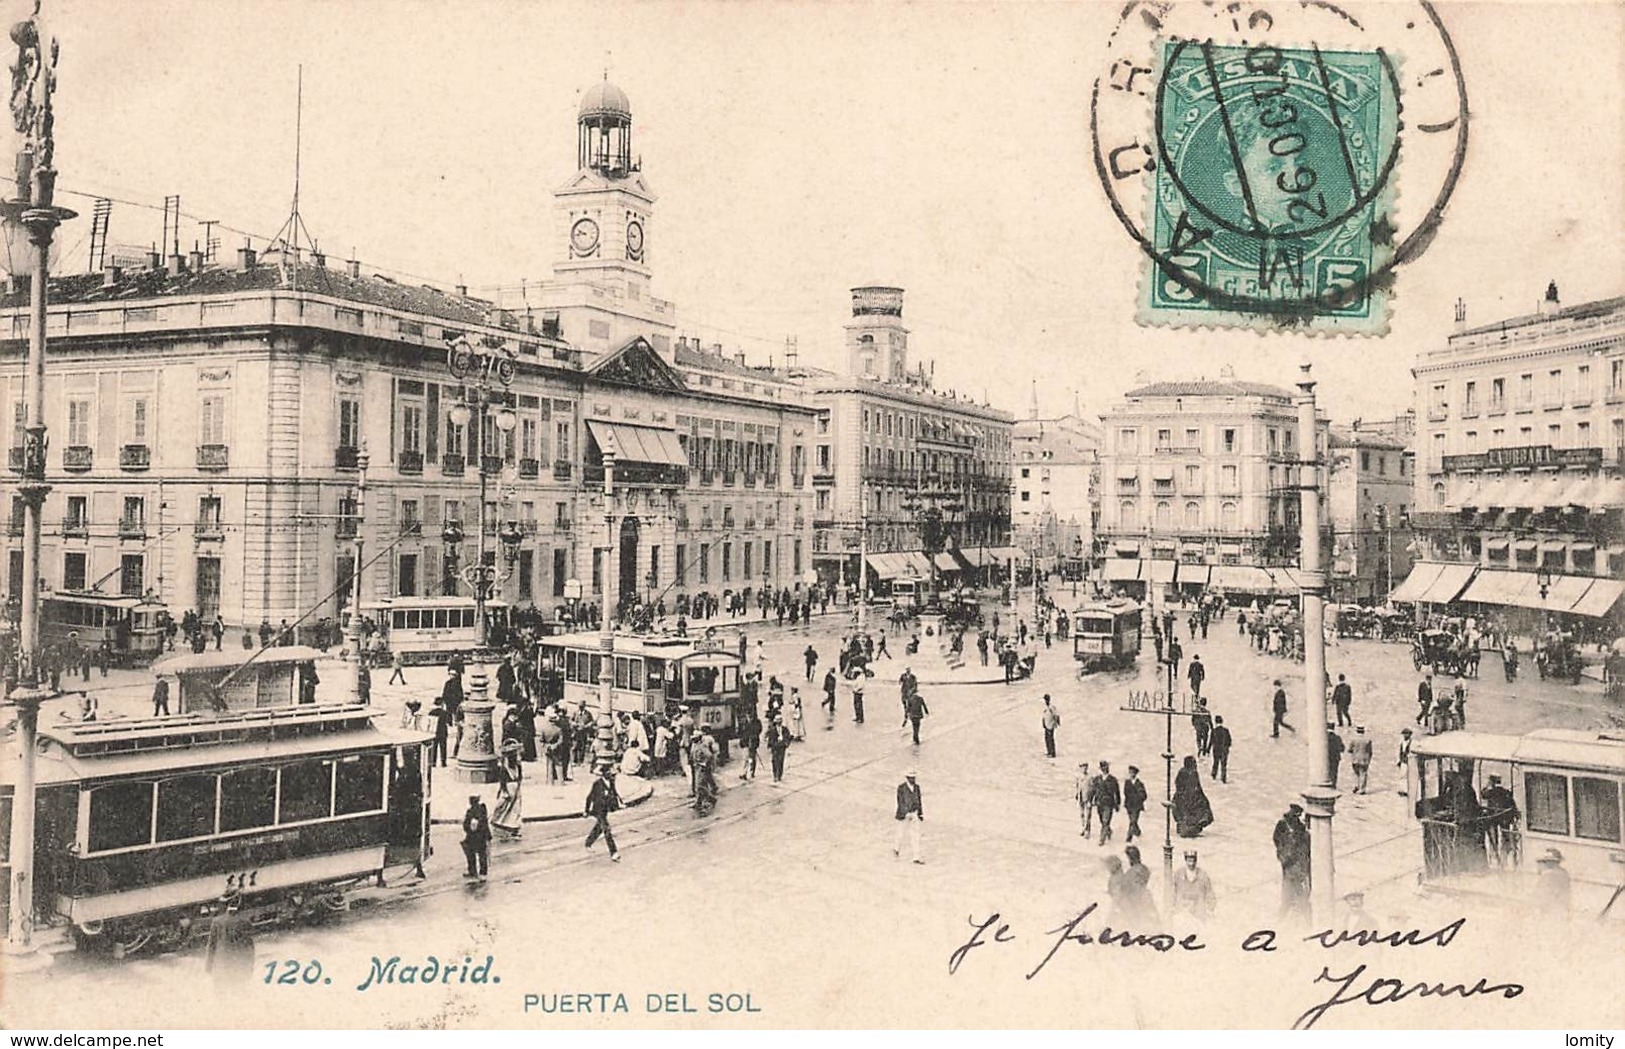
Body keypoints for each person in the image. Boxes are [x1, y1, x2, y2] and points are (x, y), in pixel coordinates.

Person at [204, 892, 256, 985]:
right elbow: (249, 948)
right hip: (238, 968)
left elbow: (211, 946)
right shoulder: (245, 921)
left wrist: (209, 967)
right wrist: (250, 967)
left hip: (220, 967)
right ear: (238, 902)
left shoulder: (216, 921)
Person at [1273, 803, 1311, 918]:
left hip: (1296, 864)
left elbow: (1305, 849)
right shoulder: (1283, 824)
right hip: (1291, 863)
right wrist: (1282, 852)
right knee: (1292, 893)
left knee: (1295, 893)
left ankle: (1290, 911)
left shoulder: (1300, 828)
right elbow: (1276, 838)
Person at [583, 767, 622, 862]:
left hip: (605, 810)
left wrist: (619, 804)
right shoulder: (597, 784)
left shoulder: (611, 782)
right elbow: (589, 797)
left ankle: (588, 842)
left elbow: (614, 794)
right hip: (598, 810)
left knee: (599, 828)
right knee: (607, 830)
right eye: (610, 774)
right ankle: (614, 852)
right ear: (604, 774)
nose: (613, 776)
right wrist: (586, 811)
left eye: (613, 775)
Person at [1171, 850, 1216, 925]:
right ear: (1186, 861)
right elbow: (1173, 892)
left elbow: (1209, 892)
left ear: (1196, 861)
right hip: (1182, 910)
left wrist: (1210, 908)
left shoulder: (1202, 875)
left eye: (1193, 861)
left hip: (1198, 911)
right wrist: (1172, 907)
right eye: (1189, 861)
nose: (1191, 863)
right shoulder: (1179, 874)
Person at [1173, 755, 1214, 837]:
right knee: (1185, 812)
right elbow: (1179, 785)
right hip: (1185, 797)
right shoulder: (1183, 773)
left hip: (1195, 796)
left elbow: (1198, 786)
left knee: (1203, 808)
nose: (1195, 765)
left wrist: (1201, 795)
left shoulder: (1194, 773)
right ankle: (1186, 828)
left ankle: (1197, 825)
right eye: (1193, 763)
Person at [491, 743, 524, 839]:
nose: (514, 759)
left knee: (516, 809)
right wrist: (504, 791)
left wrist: (518, 786)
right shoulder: (504, 768)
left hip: (516, 789)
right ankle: (497, 821)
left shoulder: (518, 766)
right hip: (508, 789)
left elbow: (520, 777)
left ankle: (514, 827)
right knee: (502, 806)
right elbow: (502, 781)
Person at [894, 769, 924, 863]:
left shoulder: (917, 787)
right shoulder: (901, 788)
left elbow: (919, 801)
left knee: (915, 835)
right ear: (907, 778)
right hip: (905, 814)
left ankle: (916, 857)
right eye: (911, 778)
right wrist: (906, 813)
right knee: (901, 833)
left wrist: (920, 813)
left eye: (914, 778)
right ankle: (896, 848)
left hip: (914, 813)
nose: (913, 779)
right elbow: (900, 802)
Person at [1532, 847, 1570, 915]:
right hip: (1560, 907)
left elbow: (1543, 894)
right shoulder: (1563, 872)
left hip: (1553, 908)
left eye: (1549, 861)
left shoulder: (1550, 875)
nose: (1547, 863)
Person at [461, 794, 491, 878]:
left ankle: (472, 871)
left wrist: (468, 829)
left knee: (471, 854)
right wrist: (488, 836)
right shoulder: (482, 810)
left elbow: (466, 825)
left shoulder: (470, 811)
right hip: (481, 836)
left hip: (472, 836)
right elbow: (485, 824)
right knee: (482, 854)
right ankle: (483, 872)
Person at [1094, 760, 1121, 846]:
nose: (1105, 769)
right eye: (1103, 768)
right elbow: (1094, 791)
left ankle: (1102, 839)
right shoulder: (1097, 779)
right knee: (1102, 821)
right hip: (1099, 803)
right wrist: (1093, 800)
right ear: (1101, 769)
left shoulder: (1113, 780)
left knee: (1105, 821)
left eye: (1106, 767)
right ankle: (1108, 831)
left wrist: (1118, 803)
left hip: (1109, 803)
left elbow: (1117, 792)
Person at [1122, 765, 1147, 842]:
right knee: (1132, 821)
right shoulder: (1127, 782)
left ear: (1135, 774)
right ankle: (1137, 831)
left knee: (1133, 821)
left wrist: (1138, 799)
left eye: (1132, 773)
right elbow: (1125, 792)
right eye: (1130, 773)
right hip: (1129, 805)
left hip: (1136, 806)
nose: (1131, 774)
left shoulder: (1140, 783)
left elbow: (1144, 795)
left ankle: (1129, 837)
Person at [766, 713, 793, 783]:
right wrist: (769, 746)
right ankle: (775, 775)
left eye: (780, 720)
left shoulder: (784, 729)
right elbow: (770, 738)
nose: (778, 722)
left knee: (780, 761)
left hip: (782, 747)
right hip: (775, 747)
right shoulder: (772, 729)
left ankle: (779, 775)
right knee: (774, 761)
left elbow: (788, 737)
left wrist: (786, 743)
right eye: (777, 720)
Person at [1347, 726, 1374, 794]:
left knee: (1356, 773)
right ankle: (1362, 789)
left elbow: (1349, 749)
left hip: (1355, 759)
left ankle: (1357, 785)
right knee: (1363, 773)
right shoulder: (1367, 740)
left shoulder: (1353, 739)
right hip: (1364, 759)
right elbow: (1370, 751)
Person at [1075, 762, 1097, 837]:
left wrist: (1092, 799)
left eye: (1085, 767)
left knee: (1088, 816)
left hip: (1088, 799)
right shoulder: (1078, 777)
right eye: (1082, 767)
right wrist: (1077, 795)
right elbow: (1077, 786)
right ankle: (1083, 827)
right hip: (1081, 798)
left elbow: (1093, 789)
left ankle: (1087, 831)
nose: (1084, 769)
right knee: (1082, 814)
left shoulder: (1090, 777)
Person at [737, 713, 761, 781]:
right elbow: (740, 732)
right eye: (748, 715)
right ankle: (744, 773)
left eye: (751, 716)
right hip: (745, 743)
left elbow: (759, 730)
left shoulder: (757, 722)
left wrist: (754, 737)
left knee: (752, 758)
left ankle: (752, 772)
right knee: (745, 759)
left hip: (753, 743)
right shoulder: (743, 722)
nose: (749, 717)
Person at [1209, 715, 1232, 783]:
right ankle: (1223, 777)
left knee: (1215, 762)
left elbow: (1211, 741)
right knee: (1223, 764)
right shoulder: (1226, 730)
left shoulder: (1214, 731)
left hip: (1216, 749)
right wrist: (1227, 747)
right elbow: (1229, 740)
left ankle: (1214, 774)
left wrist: (1207, 749)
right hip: (1224, 749)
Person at [1040, 694, 1062, 758]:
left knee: (1050, 739)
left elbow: (1056, 715)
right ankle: (1049, 751)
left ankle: (1052, 753)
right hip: (1046, 725)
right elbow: (1044, 716)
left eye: (1046, 700)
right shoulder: (1045, 708)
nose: (1045, 701)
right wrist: (1043, 723)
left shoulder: (1052, 707)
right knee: (1047, 739)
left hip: (1051, 725)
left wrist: (1056, 722)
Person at [1396, 727, 1414, 796]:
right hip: (1403, 761)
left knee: (1408, 776)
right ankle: (1402, 789)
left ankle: (1407, 790)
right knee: (1402, 776)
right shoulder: (1402, 742)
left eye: (1407, 734)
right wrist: (1398, 760)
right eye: (1404, 734)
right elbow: (1399, 751)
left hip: (1409, 761)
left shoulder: (1412, 743)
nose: (1405, 736)